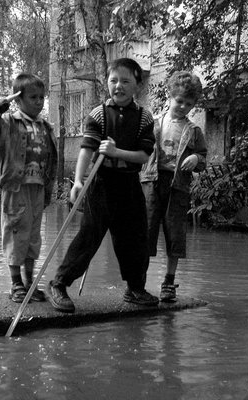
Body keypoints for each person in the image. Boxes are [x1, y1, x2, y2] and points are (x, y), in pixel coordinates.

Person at [47, 58, 158, 313]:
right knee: (90, 236)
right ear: (107, 83)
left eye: (126, 81)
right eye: (113, 80)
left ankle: (135, 288)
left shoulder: (144, 117)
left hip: (130, 183)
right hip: (102, 183)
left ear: (137, 85)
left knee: (135, 237)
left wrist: (117, 151)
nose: (118, 86)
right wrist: (77, 182)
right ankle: (59, 284)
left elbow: (143, 156)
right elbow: (87, 150)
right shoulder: (98, 114)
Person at [0, 73, 58, 303]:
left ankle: (29, 282)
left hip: (39, 188)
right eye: (33, 97)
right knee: (15, 233)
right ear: (19, 99)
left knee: (33, 236)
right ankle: (15, 285)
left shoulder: (46, 126)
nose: (39, 102)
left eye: (41, 97)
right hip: (15, 188)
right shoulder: (7, 124)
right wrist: (4, 102)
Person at [140, 71, 207, 302]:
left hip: (177, 186)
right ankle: (138, 282)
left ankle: (169, 282)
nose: (183, 107)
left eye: (189, 104)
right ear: (170, 97)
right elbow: (140, 149)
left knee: (175, 233)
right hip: (151, 181)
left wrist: (196, 159)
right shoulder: (153, 123)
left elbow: (203, 158)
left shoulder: (194, 131)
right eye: (179, 101)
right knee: (146, 230)